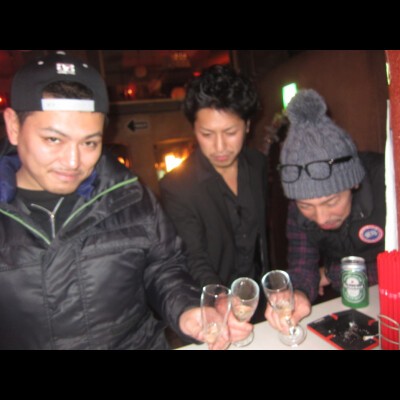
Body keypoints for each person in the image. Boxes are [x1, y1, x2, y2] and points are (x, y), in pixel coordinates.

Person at [0, 52, 250, 349]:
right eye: (53, 139)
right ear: (13, 126)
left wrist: (186, 310)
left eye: (90, 142)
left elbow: (163, 267)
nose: (73, 161)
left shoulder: (130, 195)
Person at [265, 89, 385, 333]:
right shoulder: (297, 209)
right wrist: (298, 293)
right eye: (306, 206)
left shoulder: (388, 184)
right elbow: (302, 265)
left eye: (331, 202)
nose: (321, 218)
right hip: (356, 309)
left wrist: (332, 272)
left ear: (353, 183)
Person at [159, 65, 269, 321]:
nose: (220, 146)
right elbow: (193, 256)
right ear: (194, 129)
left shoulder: (258, 165)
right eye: (207, 134)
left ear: (248, 125)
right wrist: (219, 298)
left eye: (230, 132)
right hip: (214, 310)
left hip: (261, 301)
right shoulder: (177, 186)